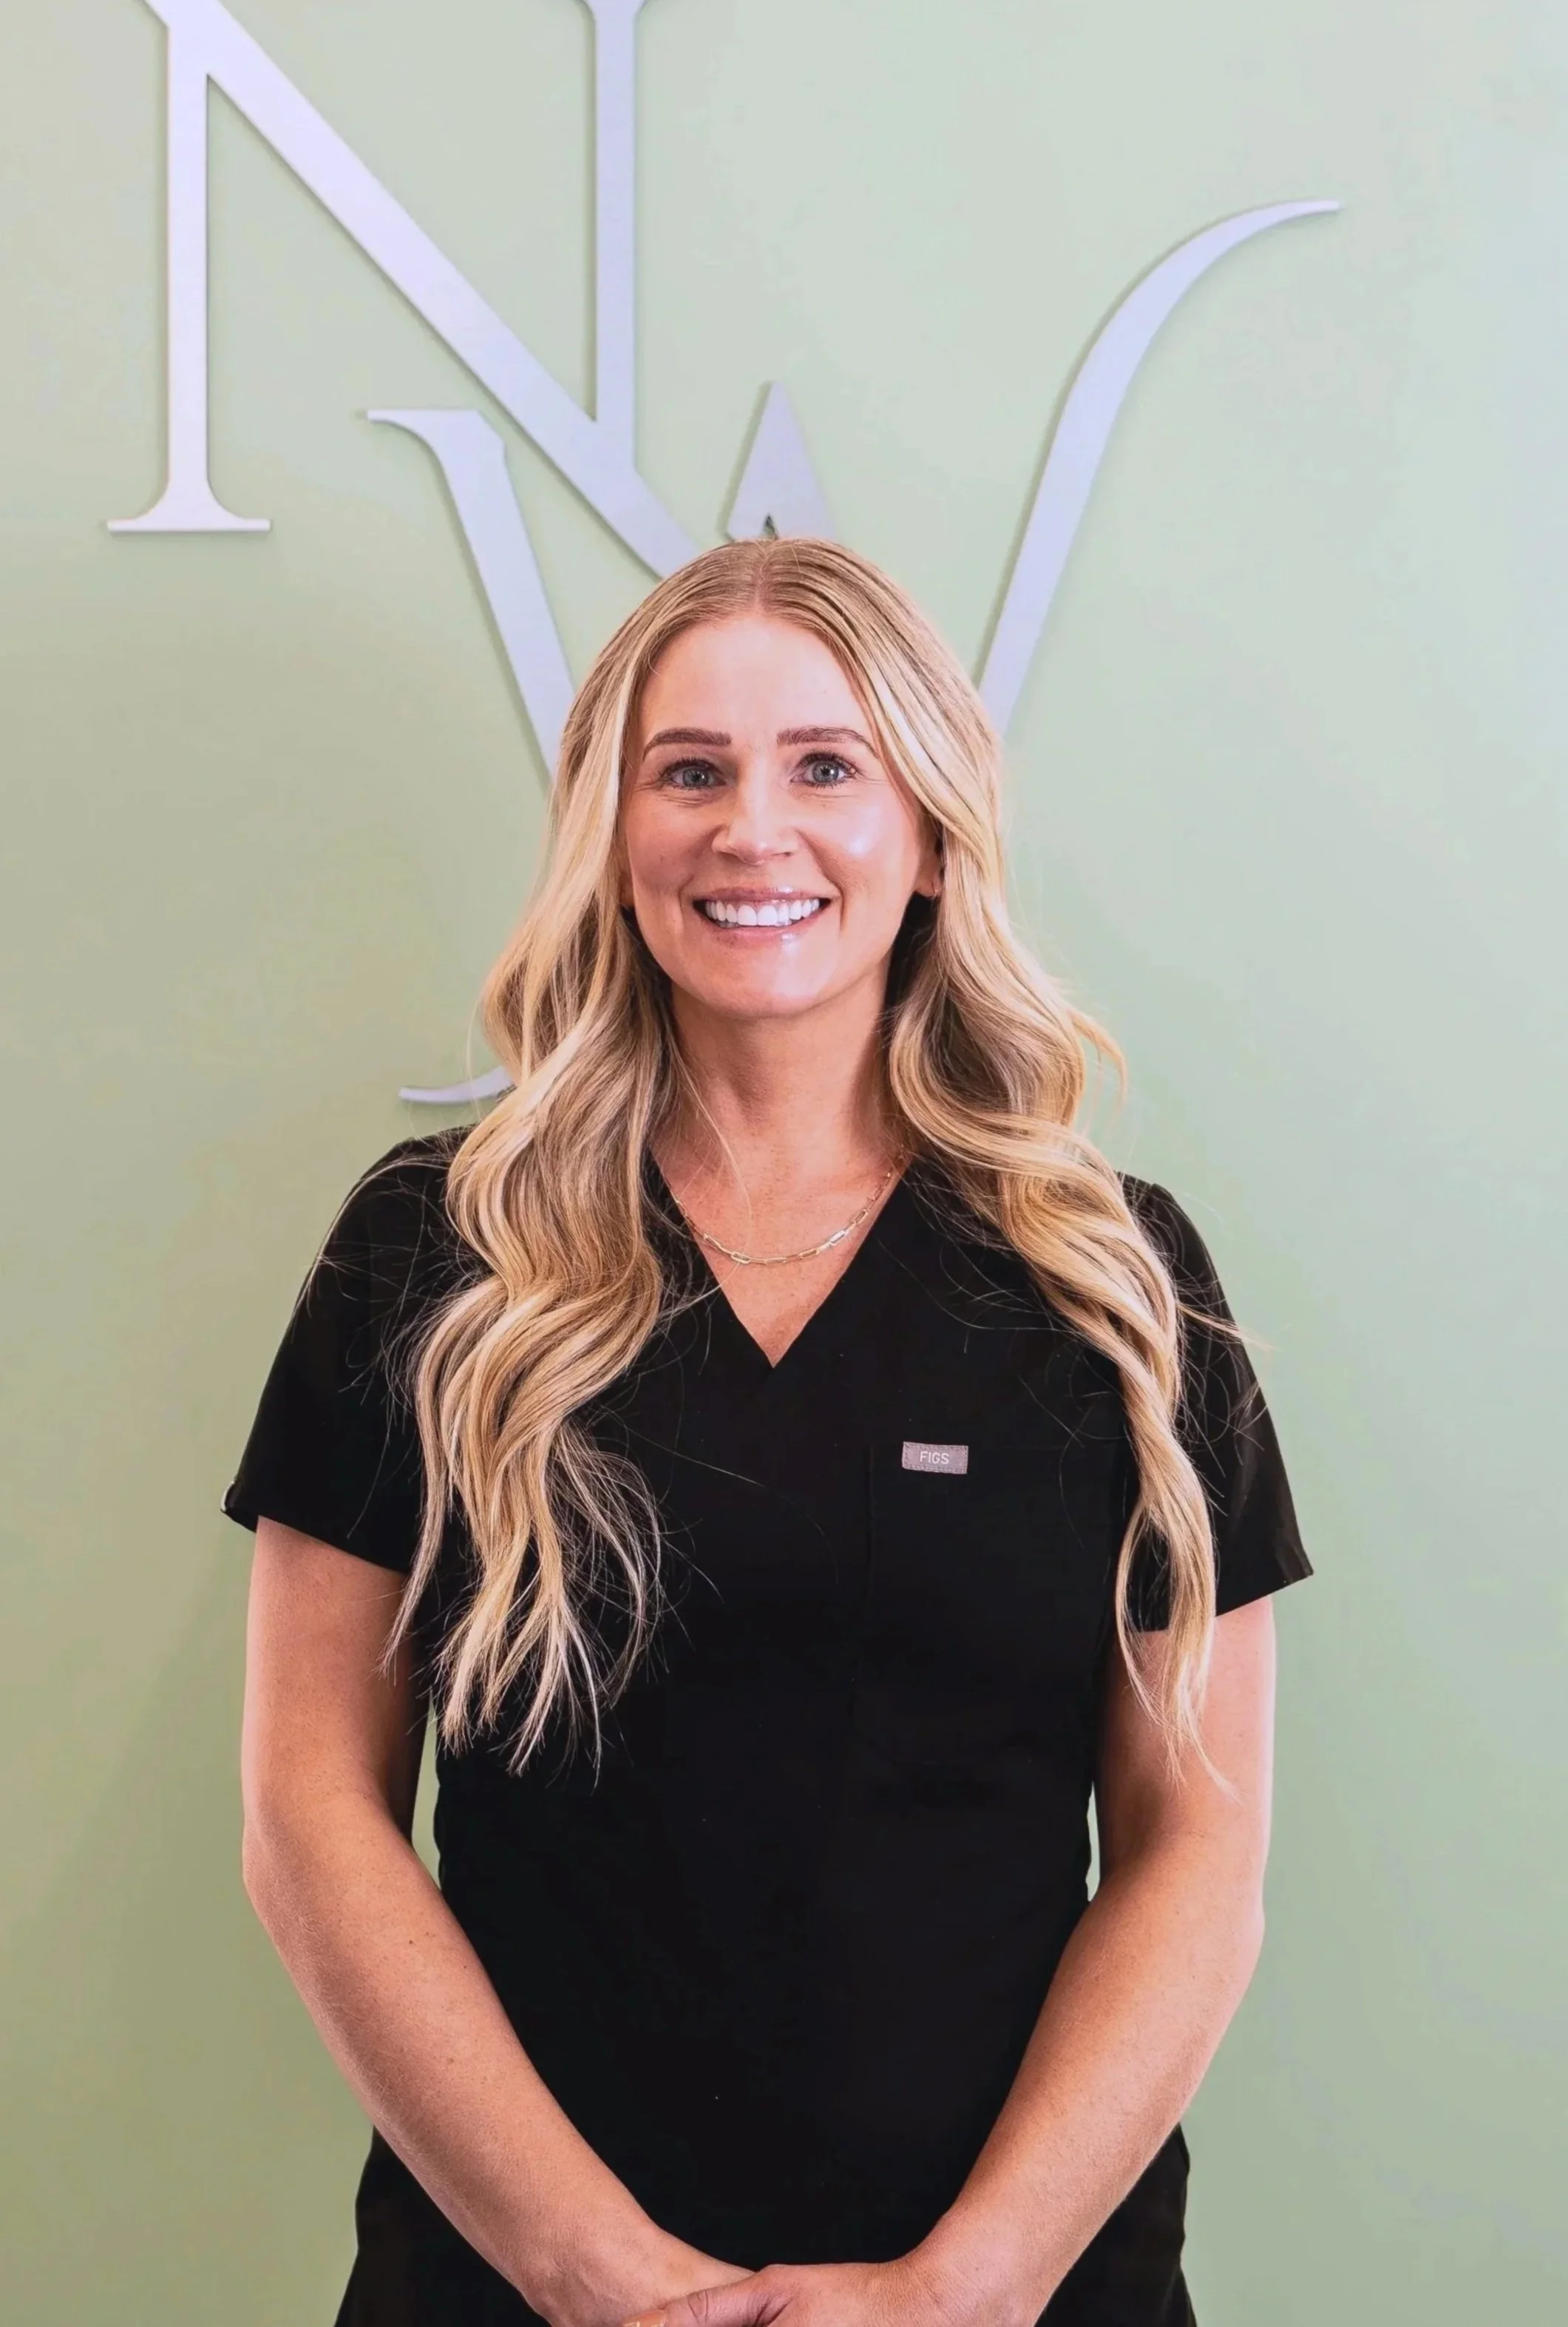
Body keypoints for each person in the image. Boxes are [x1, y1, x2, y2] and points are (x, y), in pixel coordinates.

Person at [226, 537, 1310, 2327]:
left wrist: (965, 2289)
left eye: (825, 765)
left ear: (931, 833)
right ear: (612, 831)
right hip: (517, 2289)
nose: (753, 828)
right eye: (690, 770)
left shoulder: (1116, 1280)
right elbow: (309, 1814)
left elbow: (1196, 1854)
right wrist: (601, 2278)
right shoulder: (434, 1250)